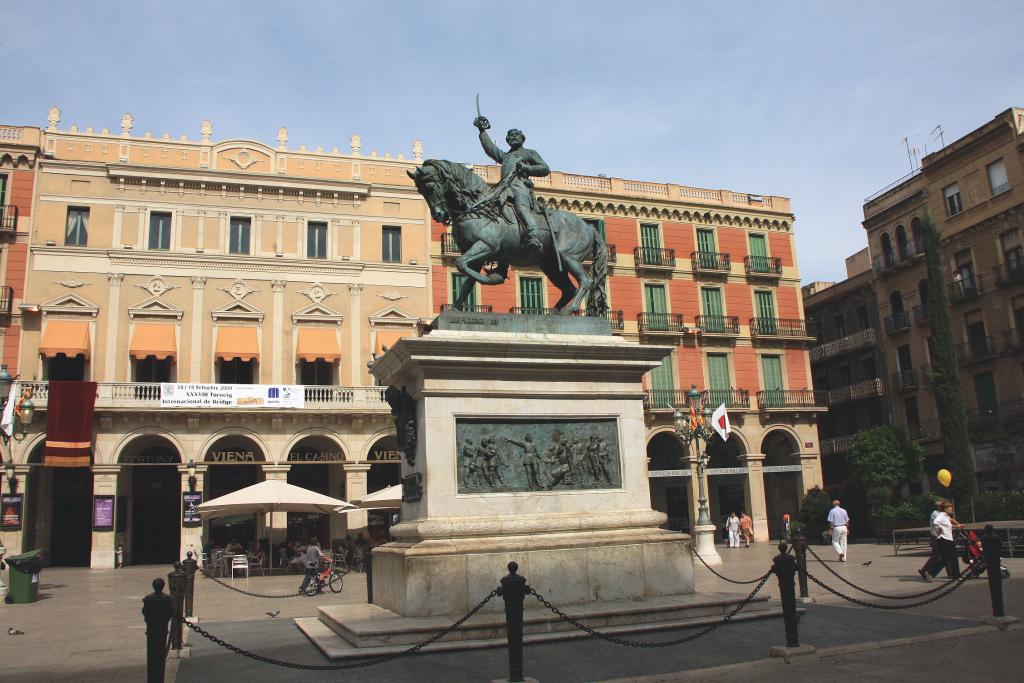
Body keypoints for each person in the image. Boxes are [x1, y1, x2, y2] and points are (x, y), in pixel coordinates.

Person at [473, 115, 551, 251]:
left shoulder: (529, 153)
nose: (513, 137)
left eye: (516, 135)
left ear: (522, 139)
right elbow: (490, 149)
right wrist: (482, 131)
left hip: (521, 188)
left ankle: (534, 235)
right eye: (511, 136)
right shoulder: (505, 157)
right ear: (507, 141)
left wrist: (527, 168)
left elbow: (544, 169)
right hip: (503, 189)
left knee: (521, 207)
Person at [920, 504, 957, 581]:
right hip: (939, 537)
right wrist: (939, 528)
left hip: (948, 538)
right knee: (939, 557)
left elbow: (949, 521)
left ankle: (953, 575)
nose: (951, 508)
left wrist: (957, 525)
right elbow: (936, 522)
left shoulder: (945, 515)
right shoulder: (937, 514)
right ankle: (927, 572)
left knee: (948, 557)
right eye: (949, 507)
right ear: (943, 508)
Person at [918, 499, 945, 579]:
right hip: (935, 537)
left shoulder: (942, 513)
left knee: (945, 555)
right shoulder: (935, 514)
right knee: (936, 556)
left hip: (942, 537)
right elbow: (940, 523)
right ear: (940, 507)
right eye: (944, 506)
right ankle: (924, 570)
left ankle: (951, 574)